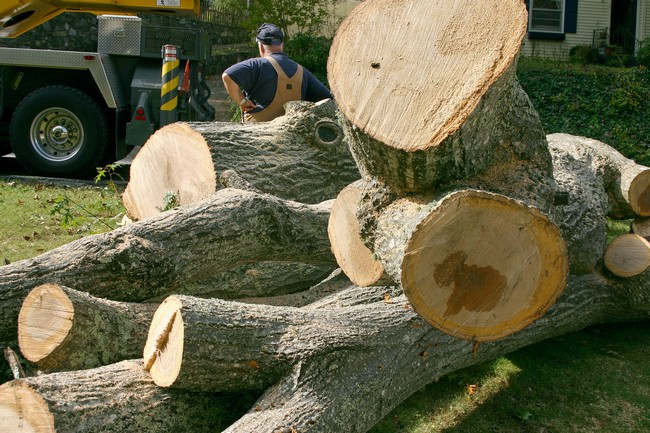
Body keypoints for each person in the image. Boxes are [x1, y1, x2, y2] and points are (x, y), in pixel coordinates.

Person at [222, 23, 333, 122]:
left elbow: (227, 76)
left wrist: (242, 101)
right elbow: (327, 97)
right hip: (292, 138)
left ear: (260, 46)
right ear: (282, 45)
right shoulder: (302, 72)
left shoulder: (256, 65)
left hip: (255, 136)